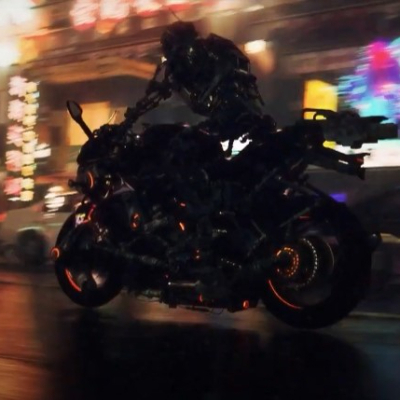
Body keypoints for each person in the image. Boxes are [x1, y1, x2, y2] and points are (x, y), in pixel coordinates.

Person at [124, 21, 276, 151]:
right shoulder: (176, 69)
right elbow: (157, 92)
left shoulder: (214, 48)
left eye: (181, 49)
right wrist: (131, 117)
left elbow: (234, 66)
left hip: (238, 112)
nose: (181, 56)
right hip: (217, 120)